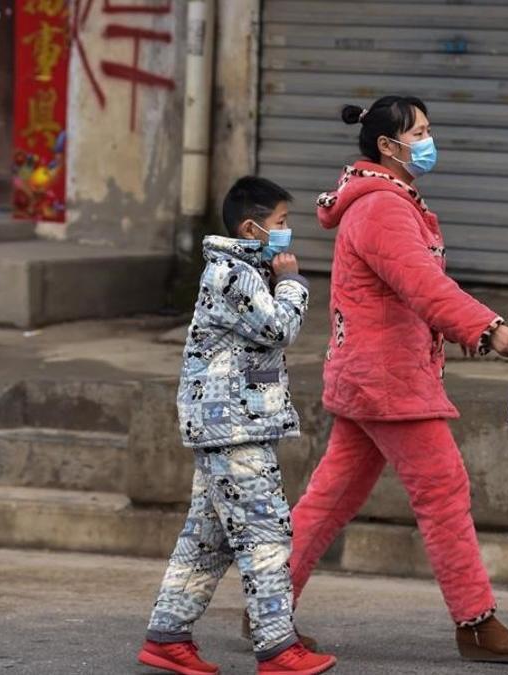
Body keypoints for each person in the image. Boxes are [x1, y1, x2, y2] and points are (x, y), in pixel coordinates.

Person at [286, 95, 508, 663]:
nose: (429, 139)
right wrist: (486, 327)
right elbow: (422, 285)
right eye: (420, 131)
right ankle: (475, 622)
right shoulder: (382, 209)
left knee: (330, 497)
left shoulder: (383, 201)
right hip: (388, 379)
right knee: (443, 490)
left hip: (375, 374)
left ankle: (270, 608)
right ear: (388, 145)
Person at [138, 177, 336, 675]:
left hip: (231, 424)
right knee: (266, 533)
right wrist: (292, 284)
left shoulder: (239, 269)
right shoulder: (235, 275)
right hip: (235, 429)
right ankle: (277, 646)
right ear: (253, 228)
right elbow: (279, 328)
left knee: (208, 537)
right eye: (281, 224)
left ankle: (168, 635)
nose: (287, 234)